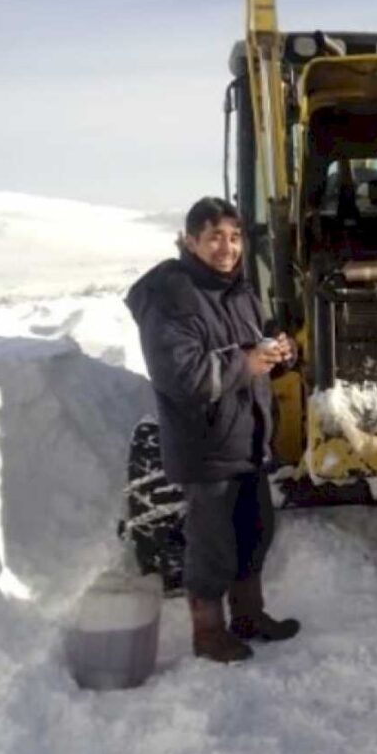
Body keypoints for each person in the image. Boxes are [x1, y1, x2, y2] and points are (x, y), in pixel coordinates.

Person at [126, 197, 300, 663]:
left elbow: (262, 337)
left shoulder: (237, 290)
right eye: (214, 237)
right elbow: (181, 376)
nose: (227, 247)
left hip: (246, 441)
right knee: (212, 548)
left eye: (235, 236)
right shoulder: (172, 295)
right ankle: (208, 633)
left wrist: (284, 350)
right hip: (206, 446)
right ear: (190, 241)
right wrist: (245, 363)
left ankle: (249, 616)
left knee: (255, 531)